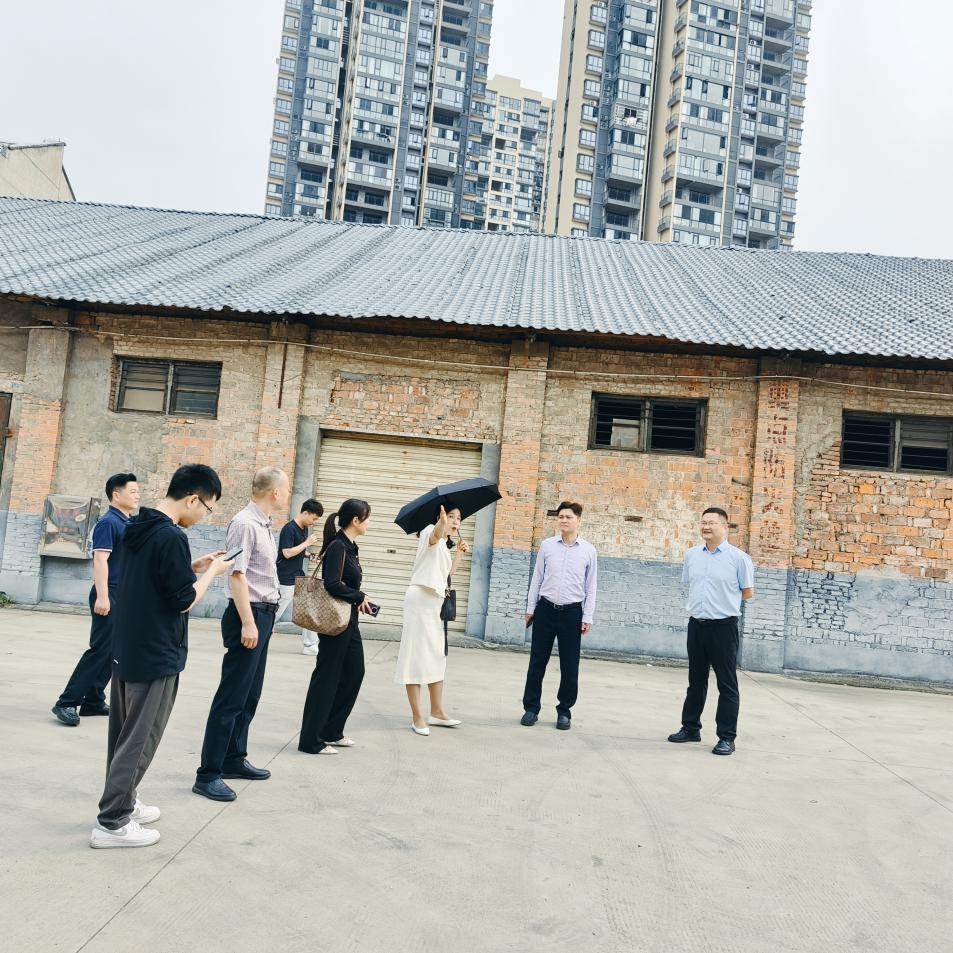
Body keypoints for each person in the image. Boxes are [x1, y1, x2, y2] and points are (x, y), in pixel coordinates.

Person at [90, 464, 232, 848]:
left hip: (128, 645)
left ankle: (124, 800)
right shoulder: (170, 536)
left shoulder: (138, 524)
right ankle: (112, 822)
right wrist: (212, 573)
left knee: (123, 736)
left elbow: (153, 578)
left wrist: (192, 567)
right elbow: (183, 600)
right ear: (193, 499)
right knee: (140, 739)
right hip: (156, 651)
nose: (204, 515)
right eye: (207, 507)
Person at [193, 467, 290, 802]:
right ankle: (208, 774)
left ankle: (234, 758)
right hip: (247, 615)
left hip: (263, 615)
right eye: (285, 489)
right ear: (274, 492)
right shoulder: (245, 524)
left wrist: (266, 618)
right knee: (231, 697)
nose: (287, 494)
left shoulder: (264, 525)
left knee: (250, 695)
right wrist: (249, 622)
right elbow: (237, 575)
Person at [52, 472, 140, 727]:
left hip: (122, 594)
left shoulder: (127, 522)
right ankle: (66, 702)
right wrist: (102, 596)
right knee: (100, 649)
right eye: (133, 491)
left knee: (114, 650)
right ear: (116, 494)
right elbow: (100, 560)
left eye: (137, 492)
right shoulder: (108, 523)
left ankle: (93, 699)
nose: (137, 496)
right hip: (108, 592)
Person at [667, 506, 755, 756]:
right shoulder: (692, 555)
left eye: (711, 523)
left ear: (725, 527)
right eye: (703, 522)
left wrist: (723, 603)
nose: (706, 526)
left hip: (723, 628)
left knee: (726, 684)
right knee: (695, 681)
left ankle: (726, 737)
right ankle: (690, 728)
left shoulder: (739, 559)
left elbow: (747, 592)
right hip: (696, 625)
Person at [298, 499, 373, 756]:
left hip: (349, 620)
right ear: (356, 520)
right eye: (368, 518)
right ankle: (310, 740)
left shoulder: (350, 547)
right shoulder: (338, 546)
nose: (370, 523)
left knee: (354, 673)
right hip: (335, 623)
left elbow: (344, 583)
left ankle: (332, 730)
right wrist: (358, 595)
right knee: (327, 678)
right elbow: (331, 583)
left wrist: (358, 599)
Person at [521, 501, 598, 731]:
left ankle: (564, 712)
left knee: (569, 665)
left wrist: (587, 616)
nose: (563, 520)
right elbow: (537, 578)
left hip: (572, 613)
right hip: (545, 610)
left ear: (578, 520)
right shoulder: (547, 546)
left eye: (568, 517)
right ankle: (531, 708)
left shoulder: (588, 551)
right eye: (561, 517)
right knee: (537, 662)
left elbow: (591, 586)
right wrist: (531, 608)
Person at [395, 504, 470, 736]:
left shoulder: (445, 546)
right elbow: (436, 535)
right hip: (419, 601)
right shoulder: (429, 532)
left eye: (458, 518)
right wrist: (440, 523)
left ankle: (437, 711)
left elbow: (446, 576)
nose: (455, 521)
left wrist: (458, 555)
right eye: (451, 516)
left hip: (435, 604)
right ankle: (417, 716)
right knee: (414, 657)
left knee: (437, 656)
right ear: (439, 517)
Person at [276, 498, 324, 655]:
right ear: (305, 513)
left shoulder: (304, 528)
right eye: (313, 518)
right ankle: (258, 632)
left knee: (309, 608)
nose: (313, 522)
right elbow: (287, 552)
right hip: (285, 577)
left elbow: (299, 550)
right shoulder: (289, 529)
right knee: (276, 611)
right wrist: (307, 543)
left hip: (299, 575)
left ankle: (310, 645)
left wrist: (311, 556)